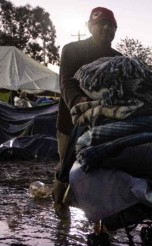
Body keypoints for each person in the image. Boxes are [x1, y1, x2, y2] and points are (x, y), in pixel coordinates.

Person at [52, 7, 122, 220]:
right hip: (70, 122)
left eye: (111, 26)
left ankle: (98, 215)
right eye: (101, 24)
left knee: (100, 168)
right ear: (90, 26)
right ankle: (59, 207)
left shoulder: (118, 58)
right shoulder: (72, 50)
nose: (107, 29)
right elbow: (66, 82)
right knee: (65, 165)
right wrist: (80, 102)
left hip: (105, 124)